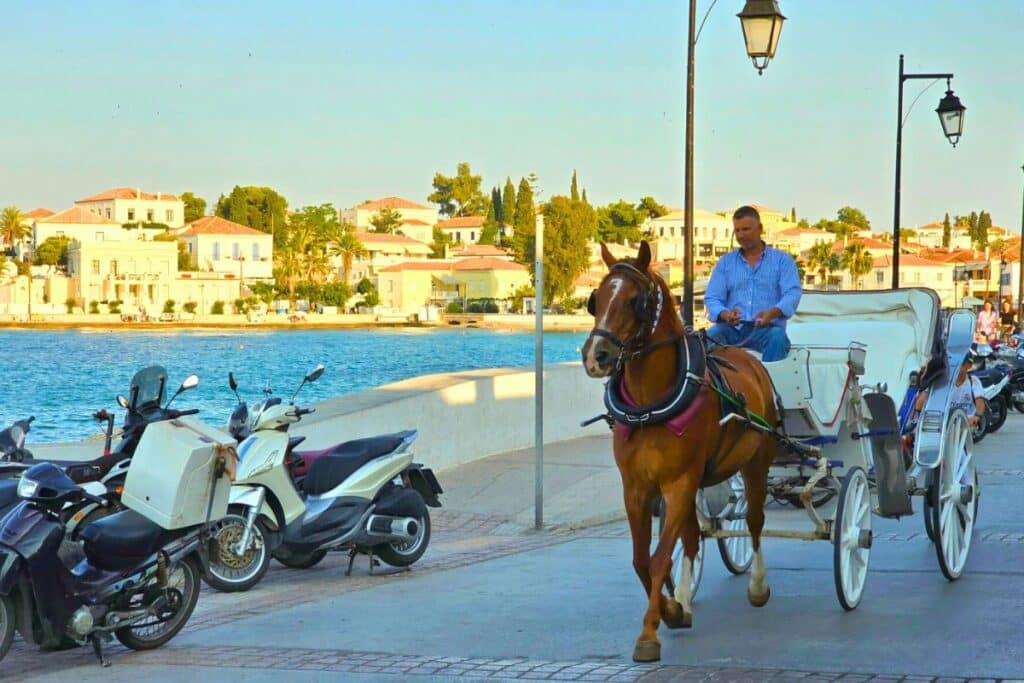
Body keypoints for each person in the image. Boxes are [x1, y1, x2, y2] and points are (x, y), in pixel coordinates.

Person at [704, 205, 802, 362]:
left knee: (778, 338)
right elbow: (712, 298)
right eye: (737, 230)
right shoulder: (725, 263)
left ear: (760, 228)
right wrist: (725, 314)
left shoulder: (782, 261)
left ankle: (769, 384)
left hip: (767, 329)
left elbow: (792, 293)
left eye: (746, 229)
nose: (741, 235)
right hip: (732, 329)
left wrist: (773, 313)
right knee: (705, 340)